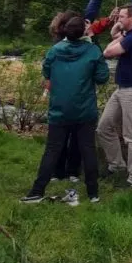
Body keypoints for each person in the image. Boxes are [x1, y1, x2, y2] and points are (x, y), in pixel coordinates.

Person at [21, 16, 109, 205]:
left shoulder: (55, 50)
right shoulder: (93, 50)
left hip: (59, 110)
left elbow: (46, 72)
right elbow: (102, 77)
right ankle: (93, 193)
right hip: (85, 110)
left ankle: (36, 191)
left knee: (52, 150)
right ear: (84, 31)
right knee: (88, 149)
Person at [98, 4, 132, 188]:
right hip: (122, 89)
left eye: (122, 17)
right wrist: (119, 30)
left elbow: (108, 52)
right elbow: (114, 37)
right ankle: (117, 166)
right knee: (104, 127)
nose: (118, 19)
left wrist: (120, 34)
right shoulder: (129, 35)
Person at [46, 11, 83, 184]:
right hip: (69, 94)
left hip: (68, 94)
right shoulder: (59, 45)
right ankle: (66, 170)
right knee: (68, 133)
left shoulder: (63, 45)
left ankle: (63, 170)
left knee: (66, 133)